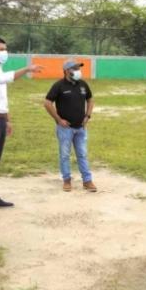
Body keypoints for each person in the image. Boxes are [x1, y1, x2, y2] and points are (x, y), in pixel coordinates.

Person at [0, 37, 43, 220]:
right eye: (1, 49)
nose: (5, 52)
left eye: (5, 49)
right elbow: (4, 79)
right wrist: (27, 69)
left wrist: (7, 119)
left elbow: (0, 98)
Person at [43, 60, 97, 193]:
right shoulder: (59, 85)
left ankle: (87, 180)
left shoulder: (83, 84)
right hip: (65, 129)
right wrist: (58, 119)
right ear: (67, 71)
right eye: (75, 68)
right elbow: (47, 103)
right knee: (65, 155)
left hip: (81, 128)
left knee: (82, 154)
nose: (78, 71)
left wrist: (88, 116)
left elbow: (90, 99)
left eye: (78, 68)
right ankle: (66, 180)